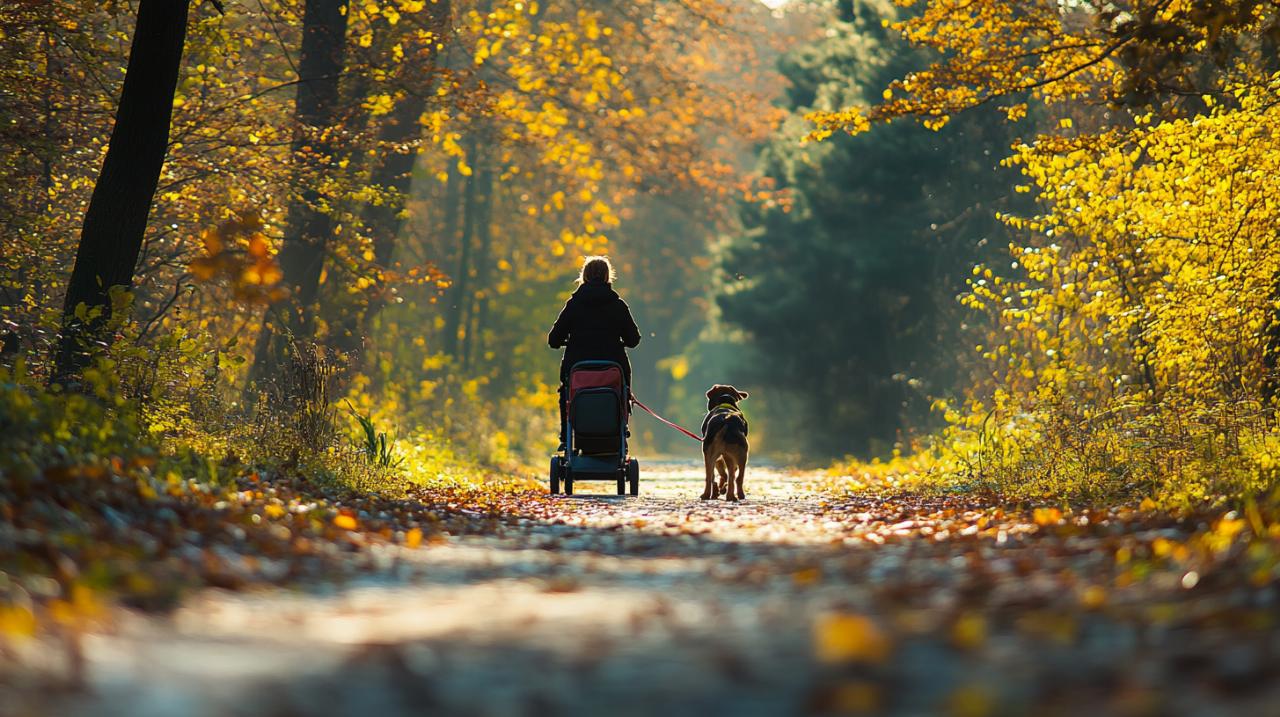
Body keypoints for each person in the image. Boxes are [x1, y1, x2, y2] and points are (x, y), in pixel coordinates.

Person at [548, 256, 641, 450]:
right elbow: (633, 340)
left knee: (566, 392)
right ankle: (621, 428)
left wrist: (566, 341)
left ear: (584, 276)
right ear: (608, 276)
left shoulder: (573, 305)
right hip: (613, 366)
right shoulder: (618, 305)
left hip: (578, 365)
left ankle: (566, 437)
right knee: (621, 390)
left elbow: (553, 339)